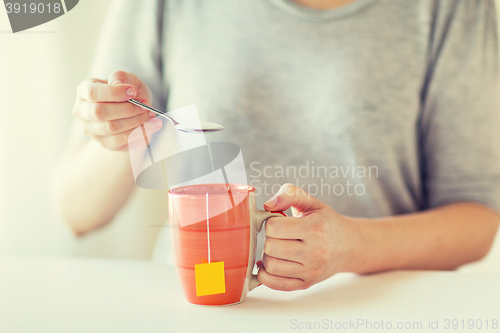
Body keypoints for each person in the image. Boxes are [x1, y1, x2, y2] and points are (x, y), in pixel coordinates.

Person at [52, 0, 500, 291]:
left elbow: (477, 219)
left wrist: (350, 246)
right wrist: (125, 136)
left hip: (375, 308)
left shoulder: (452, 8)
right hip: (206, 304)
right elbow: (76, 211)